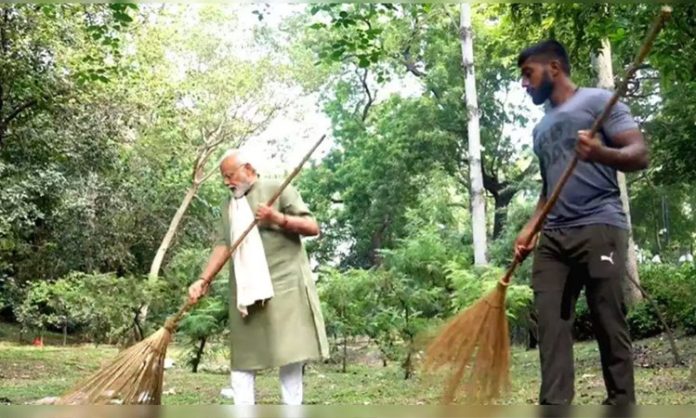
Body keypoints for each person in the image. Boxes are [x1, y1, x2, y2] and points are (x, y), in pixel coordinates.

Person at [514, 40, 649, 405]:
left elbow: (640, 154)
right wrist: (529, 229)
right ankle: (555, 405)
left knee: (608, 319)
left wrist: (601, 152)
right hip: (554, 238)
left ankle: (621, 402)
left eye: (528, 74)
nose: (524, 84)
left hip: (600, 228)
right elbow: (549, 190)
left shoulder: (597, 102)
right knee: (550, 324)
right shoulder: (540, 131)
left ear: (553, 68)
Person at [188, 149, 329, 405]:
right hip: (246, 290)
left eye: (230, 176)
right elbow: (224, 243)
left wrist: (277, 218)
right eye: (224, 177)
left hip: (285, 287)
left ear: (249, 170)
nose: (226, 182)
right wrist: (203, 279)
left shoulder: (278, 188)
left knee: (291, 355)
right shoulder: (229, 204)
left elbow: (312, 227)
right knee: (243, 361)